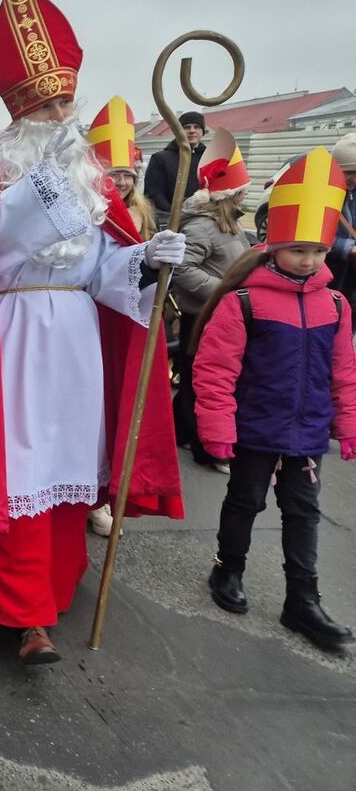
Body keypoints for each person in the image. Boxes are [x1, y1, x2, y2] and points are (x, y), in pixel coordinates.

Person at [0, 0, 186, 665]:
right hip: (15, 336)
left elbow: (104, 271)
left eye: (68, 101)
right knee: (18, 463)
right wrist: (46, 192)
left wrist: (146, 261)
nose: (65, 113)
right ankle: (20, 609)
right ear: (22, 109)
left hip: (78, 342)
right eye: (51, 104)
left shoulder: (85, 172)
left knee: (68, 463)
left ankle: (53, 589)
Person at [193, 147, 355, 651]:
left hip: (306, 432)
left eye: (319, 251)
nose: (309, 261)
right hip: (256, 427)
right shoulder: (244, 301)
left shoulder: (334, 303)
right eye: (299, 249)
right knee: (245, 501)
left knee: (303, 513)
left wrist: (347, 426)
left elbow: (344, 372)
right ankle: (228, 569)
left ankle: (302, 601)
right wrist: (218, 432)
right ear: (272, 245)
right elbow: (215, 370)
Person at [85, 96, 156, 537]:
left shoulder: (142, 214)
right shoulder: (86, 211)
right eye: (114, 175)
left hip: (125, 314)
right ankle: (87, 495)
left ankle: (103, 495)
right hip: (88, 317)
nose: (122, 183)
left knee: (116, 403)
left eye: (127, 175)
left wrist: (156, 257)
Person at [171, 130, 252, 471]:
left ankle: (177, 430)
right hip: (202, 316)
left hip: (223, 315)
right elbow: (181, 269)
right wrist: (222, 290)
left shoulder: (231, 224)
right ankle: (207, 449)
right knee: (198, 382)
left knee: (194, 380)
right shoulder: (203, 228)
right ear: (230, 195)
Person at [144, 110, 207, 224]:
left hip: (204, 218)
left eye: (196, 127)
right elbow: (153, 193)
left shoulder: (210, 158)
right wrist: (175, 215)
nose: (192, 131)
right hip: (169, 219)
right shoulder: (160, 159)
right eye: (186, 127)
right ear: (178, 130)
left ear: (202, 131)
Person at [323, 133, 356, 305]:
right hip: (323, 274)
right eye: (350, 173)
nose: (354, 179)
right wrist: (348, 248)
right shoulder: (319, 192)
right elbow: (308, 235)